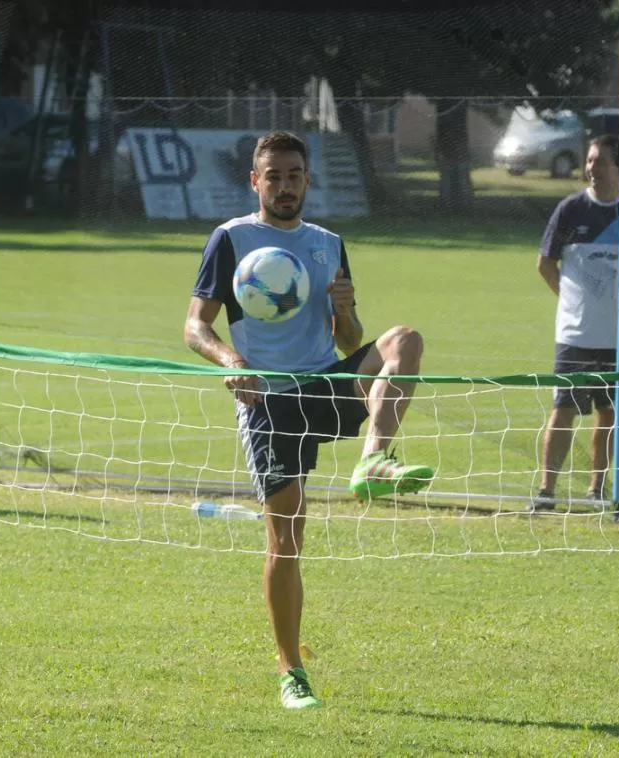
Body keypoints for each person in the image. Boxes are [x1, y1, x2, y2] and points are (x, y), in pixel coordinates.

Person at [183, 131, 433, 710]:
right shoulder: (230, 239)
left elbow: (346, 339)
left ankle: (375, 457)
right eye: (273, 175)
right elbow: (195, 327)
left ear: (307, 180)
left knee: (405, 340)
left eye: (294, 175)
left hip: (326, 380)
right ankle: (291, 670)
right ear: (255, 181)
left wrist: (345, 310)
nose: (285, 185)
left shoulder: (327, 243)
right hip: (269, 399)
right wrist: (233, 362)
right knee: (287, 540)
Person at [533, 133, 619, 512]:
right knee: (564, 409)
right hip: (574, 335)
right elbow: (544, 265)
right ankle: (546, 491)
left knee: (609, 412)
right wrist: (574, 301)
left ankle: (597, 490)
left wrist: (616, 307)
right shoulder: (570, 209)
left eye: (600, 162)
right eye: (589, 161)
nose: (591, 169)